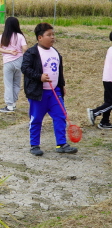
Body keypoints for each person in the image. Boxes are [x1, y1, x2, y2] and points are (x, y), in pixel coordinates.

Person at [21, 23, 78, 156]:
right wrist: (39, 77)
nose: (52, 37)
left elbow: (59, 71)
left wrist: (61, 86)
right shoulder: (32, 52)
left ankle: (61, 144)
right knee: (36, 119)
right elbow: (25, 68)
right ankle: (34, 145)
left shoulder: (56, 52)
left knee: (60, 116)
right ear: (40, 37)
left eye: (53, 34)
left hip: (54, 92)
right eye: (49, 35)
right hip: (38, 93)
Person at [0, 17, 27, 113]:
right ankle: (13, 103)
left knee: (8, 84)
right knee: (16, 83)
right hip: (19, 61)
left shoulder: (3, 36)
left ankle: (9, 105)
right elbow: (25, 48)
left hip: (8, 62)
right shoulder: (20, 36)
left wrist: (8, 51)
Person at [87, 32, 112, 129]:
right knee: (110, 103)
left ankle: (104, 122)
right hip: (110, 79)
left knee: (108, 102)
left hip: (107, 78)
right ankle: (94, 112)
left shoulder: (110, 49)